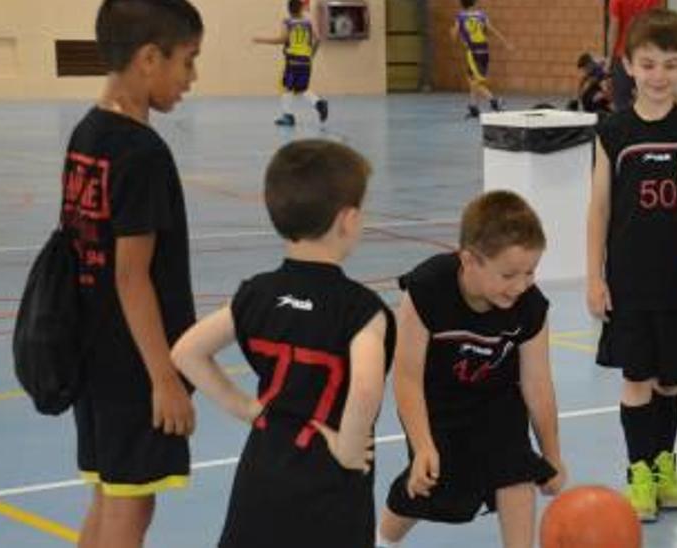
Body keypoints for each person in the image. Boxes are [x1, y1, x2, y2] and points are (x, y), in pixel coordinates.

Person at [170, 140, 394, 547]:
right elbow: (365, 388)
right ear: (349, 220)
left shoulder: (256, 294)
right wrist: (347, 447)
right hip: (330, 488)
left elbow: (186, 351)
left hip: (263, 472)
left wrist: (243, 406)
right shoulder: (362, 309)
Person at [61, 1, 203, 546]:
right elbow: (131, 276)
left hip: (94, 354)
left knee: (109, 497)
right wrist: (165, 380)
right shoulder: (141, 153)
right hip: (133, 365)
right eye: (187, 61)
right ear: (149, 57)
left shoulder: (87, 133)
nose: (192, 78)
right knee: (130, 510)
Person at [586, 7, 677, 523]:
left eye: (669, 64)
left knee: (672, 381)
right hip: (628, 282)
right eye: (647, 64)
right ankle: (638, 470)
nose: (658, 75)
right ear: (628, 65)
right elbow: (598, 208)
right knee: (636, 378)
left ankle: (665, 464)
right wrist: (595, 276)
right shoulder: (612, 132)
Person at [378, 191, 566, 548]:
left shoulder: (530, 307)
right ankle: (381, 538)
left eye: (530, 272)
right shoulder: (427, 288)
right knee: (433, 482)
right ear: (469, 261)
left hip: (497, 397)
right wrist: (422, 447)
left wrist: (552, 456)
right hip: (438, 400)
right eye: (509, 274)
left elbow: (538, 385)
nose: (521, 285)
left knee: (517, 467)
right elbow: (406, 377)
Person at [254, 0, 329, 127]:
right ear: (301, 9)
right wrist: (311, 54)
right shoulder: (308, 22)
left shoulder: (288, 22)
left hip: (293, 60)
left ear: (289, 9)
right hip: (306, 60)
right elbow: (318, 38)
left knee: (285, 87)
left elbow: (282, 39)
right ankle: (319, 103)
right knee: (301, 88)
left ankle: (288, 116)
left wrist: (261, 40)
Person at [454, 0, 512, 119]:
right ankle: (473, 107)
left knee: (475, 82)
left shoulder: (460, 17)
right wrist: (505, 42)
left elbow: (455, 34)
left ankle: (494, 102)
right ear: (474, 3)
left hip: (473, 51)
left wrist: (454, 33)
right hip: (484, 51)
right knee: (472, 79)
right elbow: (492, 30)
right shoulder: (481, 15)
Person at [607, 0, 662, 112]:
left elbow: (614, 29)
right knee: (649, 99)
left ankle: (625, 127)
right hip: (646, 54)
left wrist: (609, 58)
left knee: (622, 102)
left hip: (623, 56)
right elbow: (657, 26)